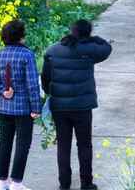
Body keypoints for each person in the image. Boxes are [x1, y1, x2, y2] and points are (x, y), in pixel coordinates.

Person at [41, 19, 112, 190]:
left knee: (63, 146)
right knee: (84, 145)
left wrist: (51, 92)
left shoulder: (53, 50)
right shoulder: (89, 50)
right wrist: (93, 39)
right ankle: (86, 183)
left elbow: (45, 78)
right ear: (87, 33)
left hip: (59, 107)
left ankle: (64, 184)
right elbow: (107, 48)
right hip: (82, 107)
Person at [0, 20, 42, 190]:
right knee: (23, 144)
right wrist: (36, 108)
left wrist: (2, 91)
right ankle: (16, 183)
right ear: (21, 37)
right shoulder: (26, 55)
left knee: (4, 143)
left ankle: (1, 182)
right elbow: (32, 84)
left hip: (4, 107)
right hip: (23, 109)